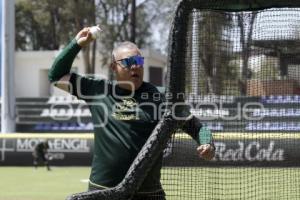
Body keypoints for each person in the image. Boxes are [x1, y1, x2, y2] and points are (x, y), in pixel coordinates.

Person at [48, 27, 215, 200]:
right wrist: (76, 44)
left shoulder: (162, 97)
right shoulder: (98, 90)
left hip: (148, 194)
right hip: (103, 192)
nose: (135, 66)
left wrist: (207, 143)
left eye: (138, 60)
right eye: (128, 62)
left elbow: (197, 126)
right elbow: (56, 76)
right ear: (114, 67)